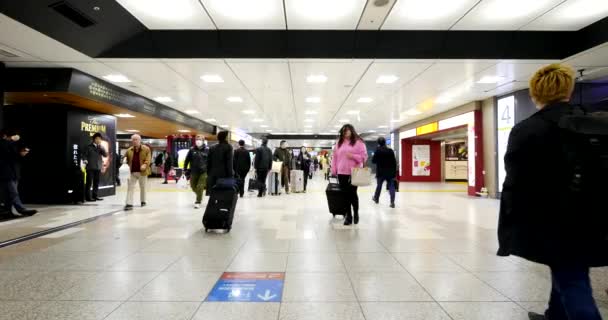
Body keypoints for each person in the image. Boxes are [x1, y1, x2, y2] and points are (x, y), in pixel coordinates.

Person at [497, 64, 607, 320]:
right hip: (598, 212)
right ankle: (554, 314)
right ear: (569, 90)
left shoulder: (527, 130)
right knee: (570, 267)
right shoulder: (595, 124)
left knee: (572, 277)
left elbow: (516, 179)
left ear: (535, 94)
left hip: (557, 217)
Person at [331, 124, 367, 226]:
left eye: (347, 130)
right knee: (345, 195)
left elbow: (364, 157)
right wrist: (334, 170)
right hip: (341, 172)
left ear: (352, 130)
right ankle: (348, 216)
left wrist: (353, 156)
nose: (345, 132)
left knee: (353, 195)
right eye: (343, 131)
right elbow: (335, 158)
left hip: (354, 172)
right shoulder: (339, 144)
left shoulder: (359, 143)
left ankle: (356, 213)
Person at [0, 130, 37, 217]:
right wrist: (11, 140)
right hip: (5, 172)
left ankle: (7, 212)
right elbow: (4, 149)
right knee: (13, 193)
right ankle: (21, 209)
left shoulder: (11, 144)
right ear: (5, 136)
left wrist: (21, 153)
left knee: (9, 194)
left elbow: (13, 156)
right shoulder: (3, 143)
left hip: (14, 172)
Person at [124, 134, 151, 211]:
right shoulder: (129, 150)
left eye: (136, 139)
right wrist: (124, 161)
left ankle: (143, 201)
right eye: (133, 140)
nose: (134, 141)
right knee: (130, 187)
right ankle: (129, 203)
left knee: (143, 187)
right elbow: (125, 158)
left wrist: (145, 165)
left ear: (140, 140)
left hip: (142, 172)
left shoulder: (146, 149)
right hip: (132, 172)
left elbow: (148, 159)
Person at [184, 134, 209, 209]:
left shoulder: (207, 150)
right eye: (197, 140)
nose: (198, 141)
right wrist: (184, 168)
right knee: (192, 186)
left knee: (200, 186)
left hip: (204, 171)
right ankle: (199, 195)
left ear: (203, 141)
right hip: (193, 171)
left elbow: (211, 161)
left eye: (200, 140)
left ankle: (198, 201)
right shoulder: (192, 150)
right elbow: (187, 160)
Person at [372, 137, 397, 208]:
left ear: (378, 143)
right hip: (390, 172)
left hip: (380, 172)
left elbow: (373, 161)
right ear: (385, 142)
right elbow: (394, 162)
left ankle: (376, 199)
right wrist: (394, 172)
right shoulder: (390, 151)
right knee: (391, 186)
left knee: (379, 185)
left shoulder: (378, 151)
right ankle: (392, 202)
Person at [82, 132, 108, 202]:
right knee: (89, 182)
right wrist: (85, 160)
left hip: (98, 167)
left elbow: (105, 155)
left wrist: (102, 147)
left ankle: (95, 195)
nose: (98, 140)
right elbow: (84, 155)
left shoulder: (100, 147)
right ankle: (88, 197)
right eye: (97, 139)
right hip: (90, 167)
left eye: (100, 139)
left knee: (96, 182)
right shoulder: (88, 146)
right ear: (94, 139)